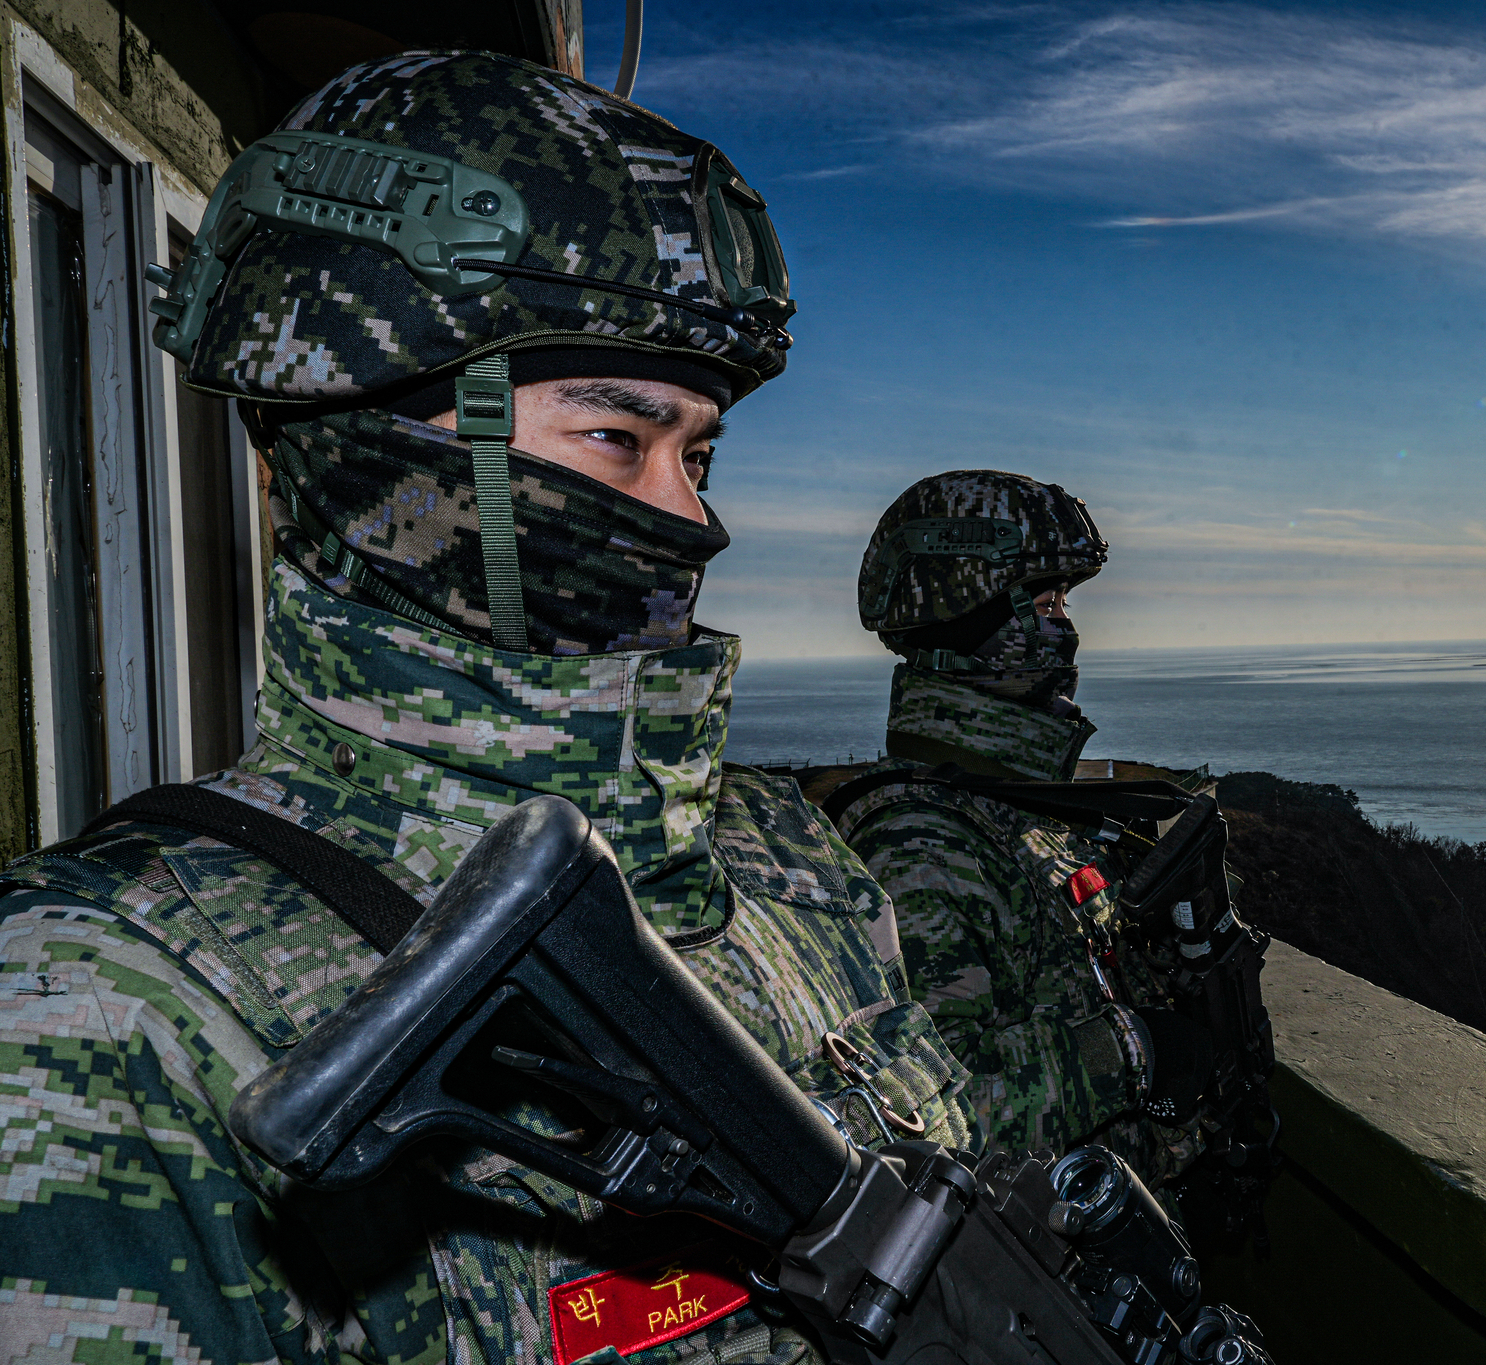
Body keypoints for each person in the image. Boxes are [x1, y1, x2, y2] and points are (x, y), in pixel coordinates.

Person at [0, 52, 973, 1365]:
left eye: (701, 452)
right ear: (381, 454)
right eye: (614, 439)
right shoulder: (107, 1004)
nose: (690, 519)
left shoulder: (795, 870)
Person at [823, 471, 1212, 1186]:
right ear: (967, 615)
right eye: (1044, 602)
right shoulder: (917, 845)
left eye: (1062, 602)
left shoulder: (1007, 808)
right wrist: (1130, 1050)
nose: (1063, 628)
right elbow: (927, 1116)